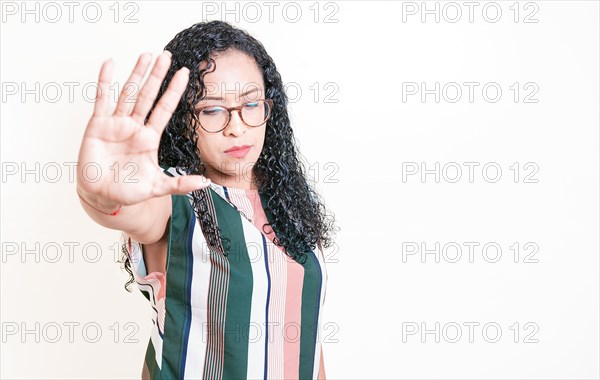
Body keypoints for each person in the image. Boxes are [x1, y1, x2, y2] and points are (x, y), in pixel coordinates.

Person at [75, 20, 337, 380]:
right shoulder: (175, 196)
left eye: (250, 104)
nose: (237, 126)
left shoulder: (287, 202)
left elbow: (308, 341)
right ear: (183, 121)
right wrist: (101, 192)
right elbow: (126, 210)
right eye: (212, 110)